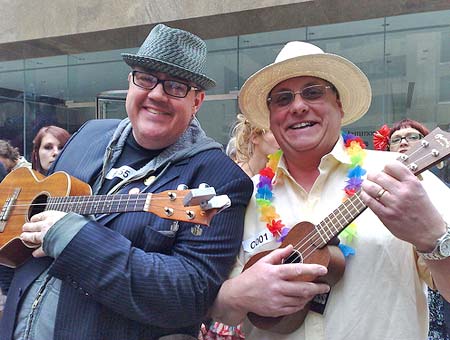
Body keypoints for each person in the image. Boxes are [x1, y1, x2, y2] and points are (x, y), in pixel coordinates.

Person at [0, 24, 253, 340]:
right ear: (130, 82)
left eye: (175, 86)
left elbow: (189, 294)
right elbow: (33, 216)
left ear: (197, 101)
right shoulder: (90, 135)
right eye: (146, 78)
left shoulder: (219, 179)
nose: (156, 94)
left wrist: (74, 238)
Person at [208, 41, 450, 340]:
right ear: (270, 117)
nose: (297, 106)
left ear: (339, 105)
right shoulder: (245, 196)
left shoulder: (400, 176)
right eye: (282, 99)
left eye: (313, 92)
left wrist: (433, 238)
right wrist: (236, 294)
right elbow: (218, 309)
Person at [373, 119, 450, 340]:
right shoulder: (369, 183)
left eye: (412, 137)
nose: (404, 142)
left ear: (427, 144)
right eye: (396, 139)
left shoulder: (438, 190)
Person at [230, 113, 279, 178]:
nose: (280, 137)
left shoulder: (280, 174)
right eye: (272, 132)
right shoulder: (236, 175)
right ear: (255, 138)